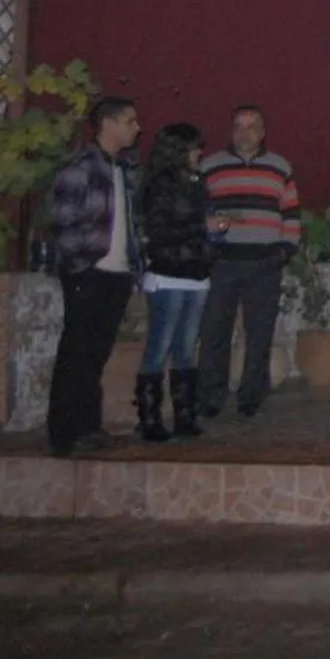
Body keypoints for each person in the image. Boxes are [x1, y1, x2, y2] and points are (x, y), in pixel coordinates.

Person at [45, 96, 143, 457]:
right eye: (130, 121)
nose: (137, 128)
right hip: (89, 271)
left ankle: (88, 425)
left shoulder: (125, 170)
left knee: (96, 353)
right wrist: (79, 265)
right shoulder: (80, 168)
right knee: (77, 351)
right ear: (110, 123)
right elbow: (64, 223)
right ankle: (63, 432)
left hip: (117, 273)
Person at [196, 105, 300, 418]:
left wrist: (284, 250)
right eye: (239, 126)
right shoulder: (210, 167)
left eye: (252, 126)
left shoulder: (280, 167)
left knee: (259, 333)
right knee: (215, 331)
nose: (245, 132)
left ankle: (251, 395)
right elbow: (196, 212)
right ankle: (211, 397)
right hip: (222, 263)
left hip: (264, 264)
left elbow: (291, 215)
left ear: (263, 132)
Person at [136, 122, 212, 442]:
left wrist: (211, 232)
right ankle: (150, 417)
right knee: (159, 346)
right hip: (168, 273)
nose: (200, 153)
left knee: (186, 349)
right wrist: (200, 225)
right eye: (195, 147)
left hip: (196, 272)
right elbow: (159, 232)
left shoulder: (197, 182)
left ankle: (185, 414)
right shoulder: (159, 184)